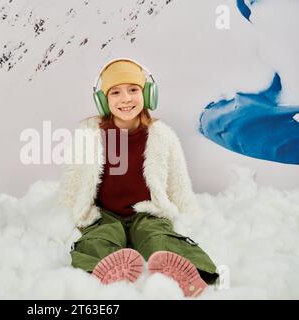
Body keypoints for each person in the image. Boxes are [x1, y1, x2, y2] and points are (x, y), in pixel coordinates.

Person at [56, 58, 219, 297]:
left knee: (158, 236)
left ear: (148, 94)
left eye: (133, 90)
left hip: (147, 211)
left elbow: (178, 182)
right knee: (98, 238)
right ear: (102, 100)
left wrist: (188, 212)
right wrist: (67, 211)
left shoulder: (162, 135)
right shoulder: (90, 135)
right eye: (115, 92)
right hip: (104, 214)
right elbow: (73, 178)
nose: (126, 99)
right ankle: (100, 270)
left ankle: (191, 272)